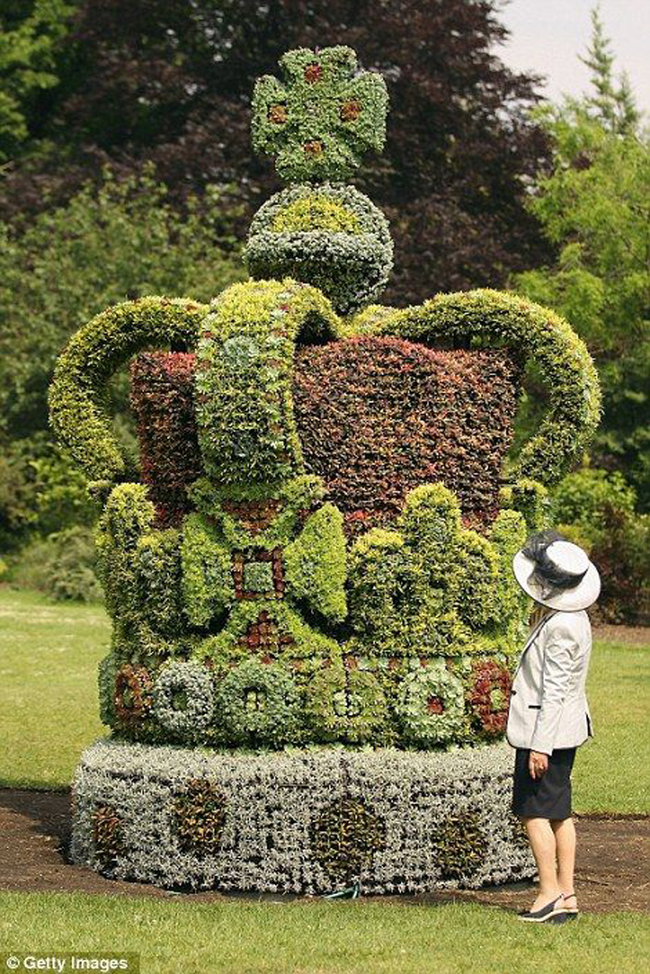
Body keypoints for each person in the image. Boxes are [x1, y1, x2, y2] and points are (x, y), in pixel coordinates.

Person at [507, 530, 601, 924]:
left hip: (548, 733)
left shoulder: (562, 626)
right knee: (559, 812)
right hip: (564, 730)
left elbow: (556, 690)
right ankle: (567, 894)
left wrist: (539, 746)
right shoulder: (571, 618)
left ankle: (548, 893)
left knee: (534, 813)